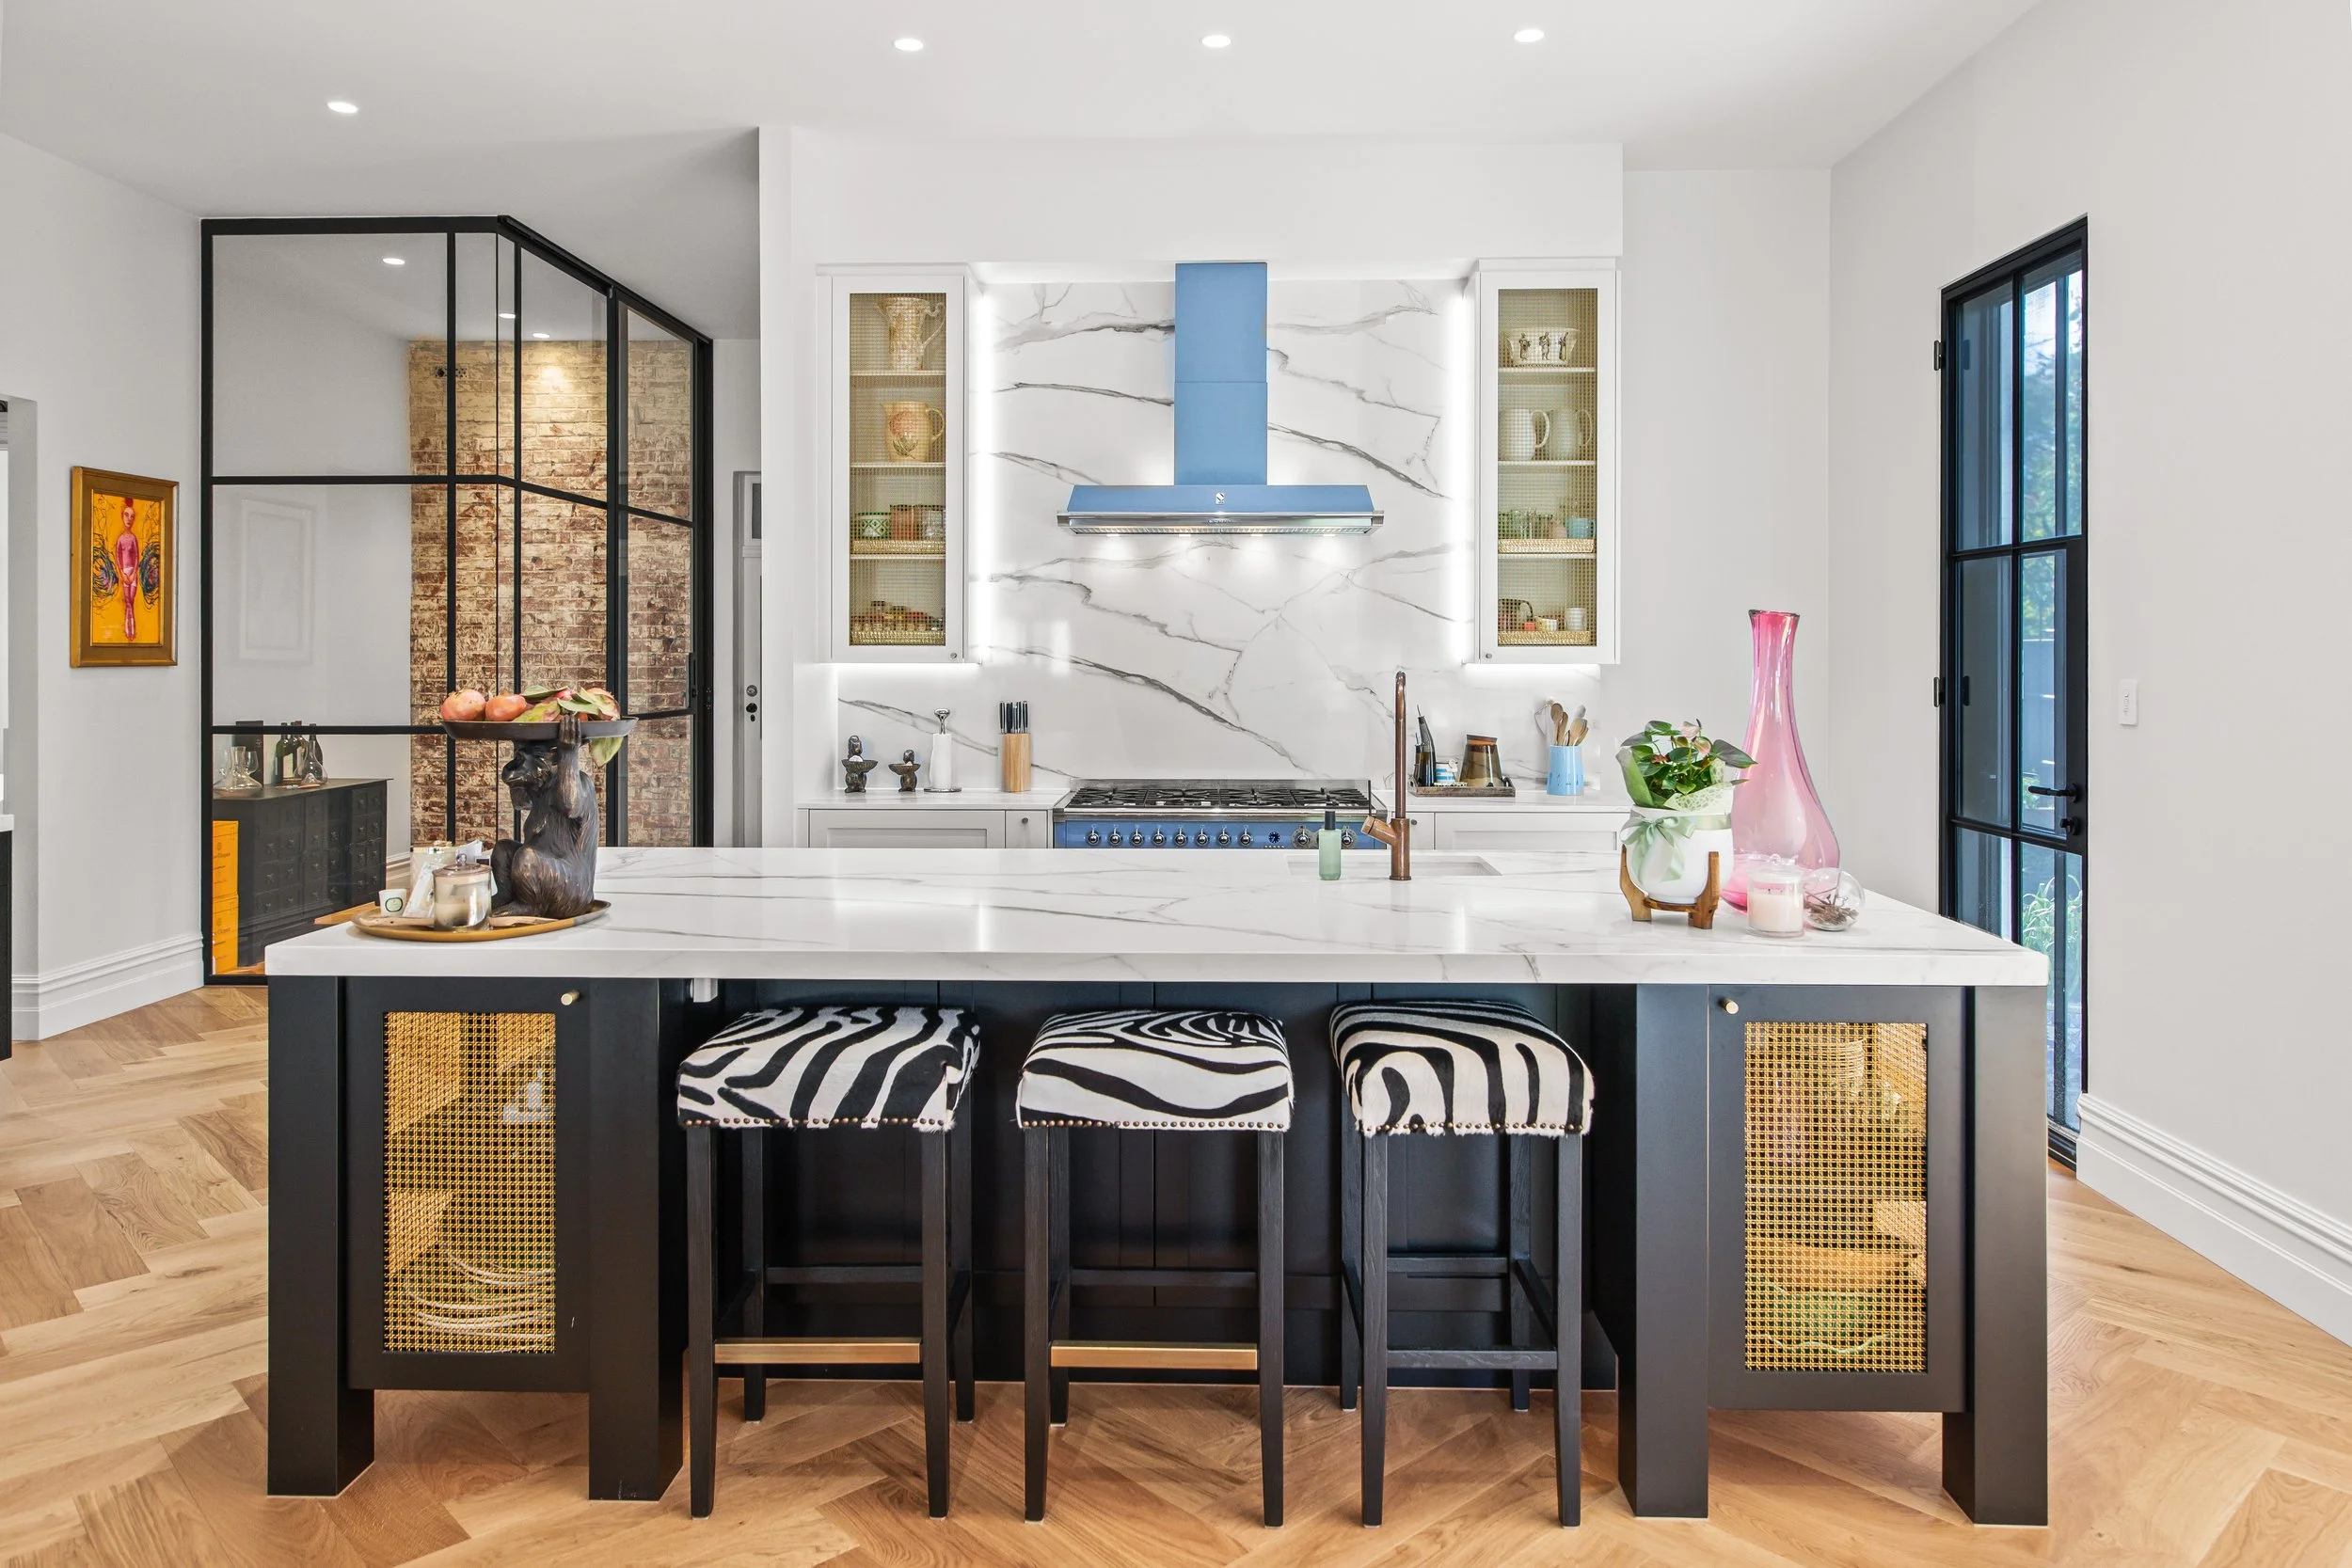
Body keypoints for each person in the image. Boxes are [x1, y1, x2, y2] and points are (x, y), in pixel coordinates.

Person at [113, 497, 141, 641]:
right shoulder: (120, 539)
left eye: (132, 516)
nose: (129, 519)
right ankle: (130, 630)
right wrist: (122, 574)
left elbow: (137, 557)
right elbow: (118, 558)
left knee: (131, 601)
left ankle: (131, 630)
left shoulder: (134, 539)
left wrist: (133, 574)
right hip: (124, 573)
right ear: (122, 516)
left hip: (132, 574)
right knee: (128, 602)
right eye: (126, 515)